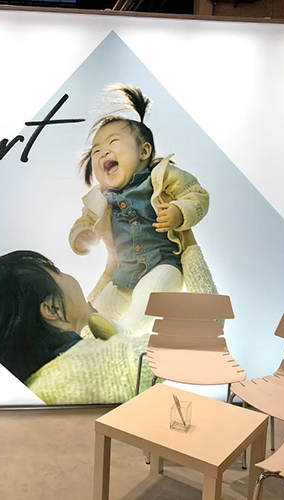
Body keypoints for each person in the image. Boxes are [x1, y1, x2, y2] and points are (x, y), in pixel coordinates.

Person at [69, 84, 217, 336]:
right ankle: (88, 341)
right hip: (124, 274)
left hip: (163, 264)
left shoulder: (161, 176)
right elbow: (85, 221)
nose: (103, 151)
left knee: (148, 299)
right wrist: (81, 235)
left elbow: (197, 195)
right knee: (101, 308)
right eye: (96, 151)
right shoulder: (99, 198)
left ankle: (125, 334)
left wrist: (179, 212)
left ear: (144, 151)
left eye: (113, 142)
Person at [0, 250, 153, 405]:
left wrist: (110, 270)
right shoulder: (117, 361)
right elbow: (176, 360)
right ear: (52, 309)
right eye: (57, 271)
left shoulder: (34, 390)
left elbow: (89, 309)